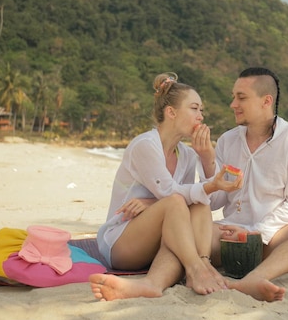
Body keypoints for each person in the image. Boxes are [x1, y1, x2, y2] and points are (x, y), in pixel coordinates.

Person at [89, 72, 242, 301]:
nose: (200, 116)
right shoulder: (145, 146)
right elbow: (172, 195)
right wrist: (209, 186)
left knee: (197, 204)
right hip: (121, 242)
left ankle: (158, 282)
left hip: (161, 237)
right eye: (194, 108)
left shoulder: (188, 155)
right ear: (171, 112)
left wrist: (207, 156)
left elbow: (196, 202)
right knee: (180, 201)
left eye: (201, 110)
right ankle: (196, 269)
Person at [208, 67, 288, 302]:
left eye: (241, 97)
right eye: (233, 96)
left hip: (271, 239)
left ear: (266, 101)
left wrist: (256, 233)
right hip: (227, 236)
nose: (233, 104)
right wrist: (206, 162)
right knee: (186, 226)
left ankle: (256, 278)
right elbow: (216, 201)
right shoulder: (226, 141)